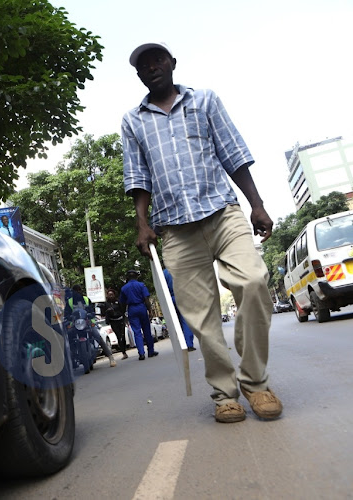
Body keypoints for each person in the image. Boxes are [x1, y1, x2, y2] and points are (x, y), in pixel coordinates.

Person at [121, 42, 282, 423]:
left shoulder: (205, 100)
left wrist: (257, 205)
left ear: (172, 63)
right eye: (144, 65)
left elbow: (233, 153)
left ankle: (256, 383)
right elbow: (138, 177)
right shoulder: (133, 121)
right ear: (139, 75)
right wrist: (142, 224)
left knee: (255, 281)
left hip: (222, 212)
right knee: (201, 317)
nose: (152, 67)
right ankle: (225, 394)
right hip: (175, 228)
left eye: (158, 59)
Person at [66, 285, 116, 367]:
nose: (78, 292)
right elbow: (66, 313)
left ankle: (111, 357)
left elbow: (91, 309)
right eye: (76, 291)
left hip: (88, 322)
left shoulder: (86, 299)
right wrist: (68, 318)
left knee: (97, 335)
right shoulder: (70, 302)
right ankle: (72, 359)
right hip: (76, 324)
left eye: (79, 290)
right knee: (68, 337)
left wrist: (91, 315)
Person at [119, 270, 156, 360]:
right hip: (141, 307)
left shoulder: (124, 288)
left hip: (132, 309)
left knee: (137, 332)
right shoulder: (141, 285)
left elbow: (122, 303)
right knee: (146, 330)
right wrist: (150, 310)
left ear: (127, 278)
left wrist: (123, 314)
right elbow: (146, 299)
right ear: (136, 276)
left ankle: (141, 353)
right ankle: (150, 351)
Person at [163, 268, 196, 351]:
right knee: (186, 321)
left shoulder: (164, 273)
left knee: (176, 322)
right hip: (182, 297)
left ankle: (182, 344)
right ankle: (189, 344)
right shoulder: (180, 268)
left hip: (170, 299)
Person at [102, 288, 129, 359]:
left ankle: (124, 350)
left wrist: (125, 319)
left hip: (120, 320)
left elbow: (123, 310)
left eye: (112, 295)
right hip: (113, 322)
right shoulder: (106, 304)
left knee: (122, 336)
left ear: (114, 295)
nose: (111, 296)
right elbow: (104, 313)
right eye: (109, 295)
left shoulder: (118, 301)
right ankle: (123, 352)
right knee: (118, 336)